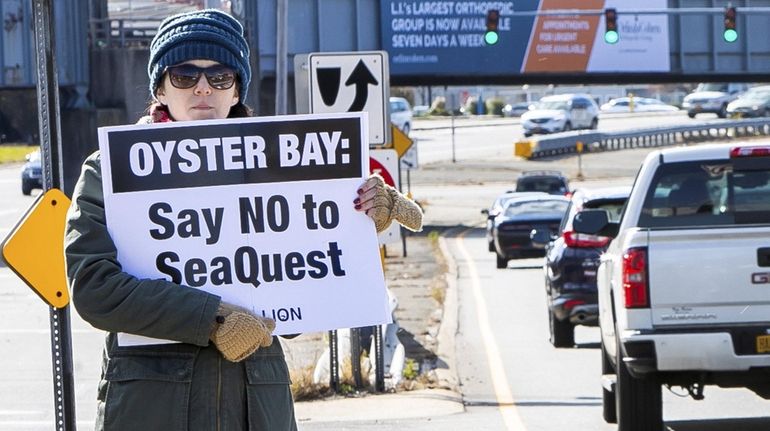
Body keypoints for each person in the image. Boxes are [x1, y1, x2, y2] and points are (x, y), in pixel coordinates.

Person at [64, 9, 422, 431]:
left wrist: (352, 224)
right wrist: (212, 318)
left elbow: (299, 304)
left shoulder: (280, 169)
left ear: (236, 91)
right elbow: (93, 288)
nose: (203, 88)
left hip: (255, 406)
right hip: (153, 407)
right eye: (184, 76)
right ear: (160, 87)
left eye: (220, 77)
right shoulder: (111, 168)